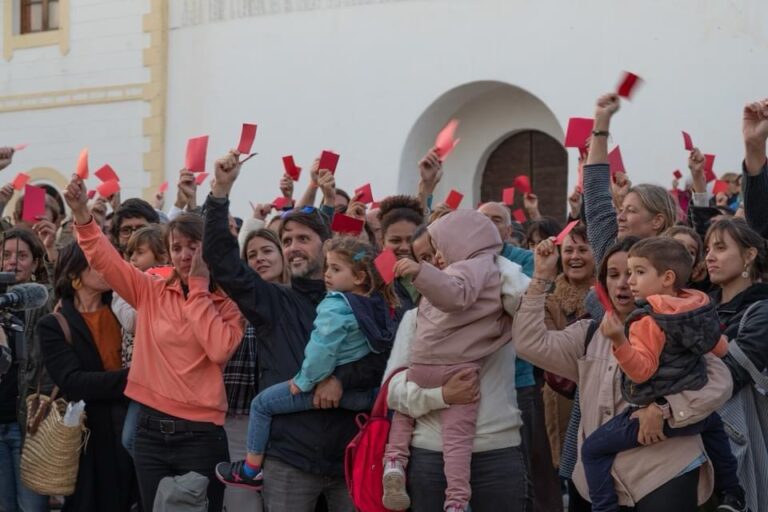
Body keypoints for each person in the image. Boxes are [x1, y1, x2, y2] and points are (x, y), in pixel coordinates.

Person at [204, 150, 387, 512]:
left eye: (303, 239)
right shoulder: (272, 301)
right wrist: (220, 193)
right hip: (290, 460)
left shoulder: (364, 300)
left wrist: (340, 380)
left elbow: (385, 359)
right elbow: (223, 263)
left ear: (326, 244)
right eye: (286, 241)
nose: (292, 248)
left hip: (351, 453)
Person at [63, 175, 244, 512]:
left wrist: (200, 287)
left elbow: (219, 350)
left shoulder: (228, 302)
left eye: (194, 246)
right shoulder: (151, 289)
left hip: (201, 435)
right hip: (149, 432)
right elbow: (107, 261)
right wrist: (82, 215)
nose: (186, 254)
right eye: (177, 247)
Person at [513, 236, 733, 511]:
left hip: (665, 471)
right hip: (603, 480)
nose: (624, 283)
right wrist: (542, 277)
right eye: (614, 274)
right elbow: (528, 344)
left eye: (634, 273)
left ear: (662, 279)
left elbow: (720, 382)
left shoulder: (675, 328)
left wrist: (665, 408)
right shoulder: (589, 333)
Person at [215, 236, 397, 489]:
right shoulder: (377, 304)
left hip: (319, 391)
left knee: (261, 405)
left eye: (335, 269)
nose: (327, 275)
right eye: (327, 268)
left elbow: (321, 350)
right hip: (364, 397)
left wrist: (304, 381)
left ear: (359, 277)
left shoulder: (335, 304)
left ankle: (251, 468)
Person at [580, 237, 745, 512]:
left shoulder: (646, 320)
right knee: (715, 426)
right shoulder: (699, 306)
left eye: (639, 272)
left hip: (656, 417)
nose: (630, 281)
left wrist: (620, 341)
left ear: (667, 277)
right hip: (696, 417)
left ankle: (604, 508)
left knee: (591, 450)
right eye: (628, 273)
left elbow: (642, 372)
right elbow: (719, 346)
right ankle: (732, 492)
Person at [382, 210, 514, 512]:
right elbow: (392, 391)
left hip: (497, 446)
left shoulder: (503, 293)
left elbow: (522, 298)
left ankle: (394, 460)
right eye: (425, 258)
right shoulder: (417, 315)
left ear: (459, 244)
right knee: (456, 439)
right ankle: (455, 501)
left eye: (437, 251)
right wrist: (442, 396)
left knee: (443, 435)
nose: (435, 262)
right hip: (432, 442)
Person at [37, 241, 136, 511]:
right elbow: (74, 382)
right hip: (86, 440)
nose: (107, 268)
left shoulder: (125, 311)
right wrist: (136, 379)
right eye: (97, 262)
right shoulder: (54, 324)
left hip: (131, 430)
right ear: (74, 274)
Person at [704, 218, 768, 511]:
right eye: (707, 249)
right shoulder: (701, 306)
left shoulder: (762, 309)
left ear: (749, 254)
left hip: (743, 437)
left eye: (720, 247)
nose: (709, 256)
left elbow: (730, 375)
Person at [223, 227, 287, 512]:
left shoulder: (299, 300)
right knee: (241, 501)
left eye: (267, 251)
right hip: (239, 412)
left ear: (283, 255)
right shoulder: (235, 298)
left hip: (287, 413)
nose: (259, 258)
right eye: (251, 255)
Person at [0, 229, 51, 512]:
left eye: (21, 256)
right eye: (6, 255)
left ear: (35, 262)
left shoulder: (41, 300)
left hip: (29, 424)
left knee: (32, 507)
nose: (12, 262)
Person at [543, 223, 594, 474]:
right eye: (568, 250)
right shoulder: (548, 300)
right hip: (564, 396)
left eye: (583, 250)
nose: (574, 257)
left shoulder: (613, 294)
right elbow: (552, 350)